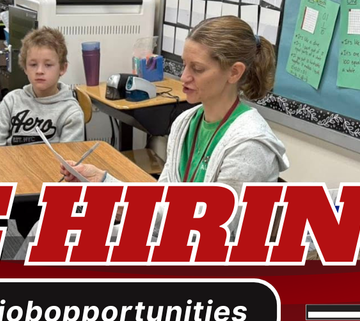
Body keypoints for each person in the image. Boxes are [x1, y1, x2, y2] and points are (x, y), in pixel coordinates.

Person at [60, 16, 288, 209]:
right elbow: (164, 202)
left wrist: (110, 193)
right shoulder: (185, 122)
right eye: (184, 65)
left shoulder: (251, 147)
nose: (184, 77)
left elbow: (212, 229)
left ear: (234, 72)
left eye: (197, 69)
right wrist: (101, 181)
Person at [0, 27, 84, 147]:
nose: (39, 71)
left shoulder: (70, 112)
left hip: (51, 165)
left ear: (62, 68)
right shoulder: (12, 101)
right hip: (11, 164)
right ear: (25, 68)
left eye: (48, 65)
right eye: (33, 64)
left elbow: (69, 156)